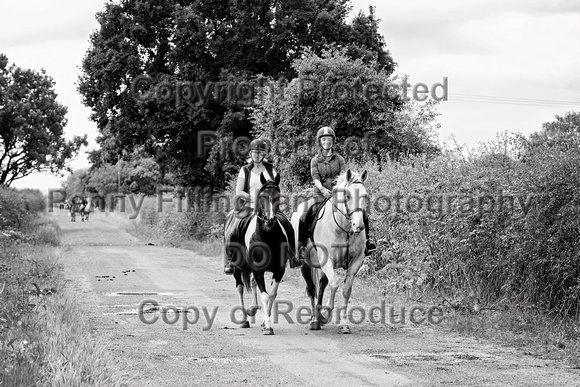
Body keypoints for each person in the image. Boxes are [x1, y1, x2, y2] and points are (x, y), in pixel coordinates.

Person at [297, 126, 376, 260]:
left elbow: (344, 178)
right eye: (323, 139)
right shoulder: (315, 160)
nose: (326, 142)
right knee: (305, 214)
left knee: (362, 212)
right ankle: (302, 246)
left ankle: (367, 242)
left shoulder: (340, 159)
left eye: (329, 139)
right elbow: (315, 178)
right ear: (320, 142)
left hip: (337, 195)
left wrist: (335, 191)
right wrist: (322, 189)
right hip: (319, 194)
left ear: (333, 141)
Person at [223, 138, 301, 274]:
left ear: (264, 155)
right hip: (249, 205)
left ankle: (293, 256)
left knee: (287, 225)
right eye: (254, 153)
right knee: (235, 226)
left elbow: (276, 187)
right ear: (250, 154)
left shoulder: (270, 169)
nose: (257, 155)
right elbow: (239, 191)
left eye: (260, 153)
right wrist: (255, 198)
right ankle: (232, 259)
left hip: (268, 206)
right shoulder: (245, 170)